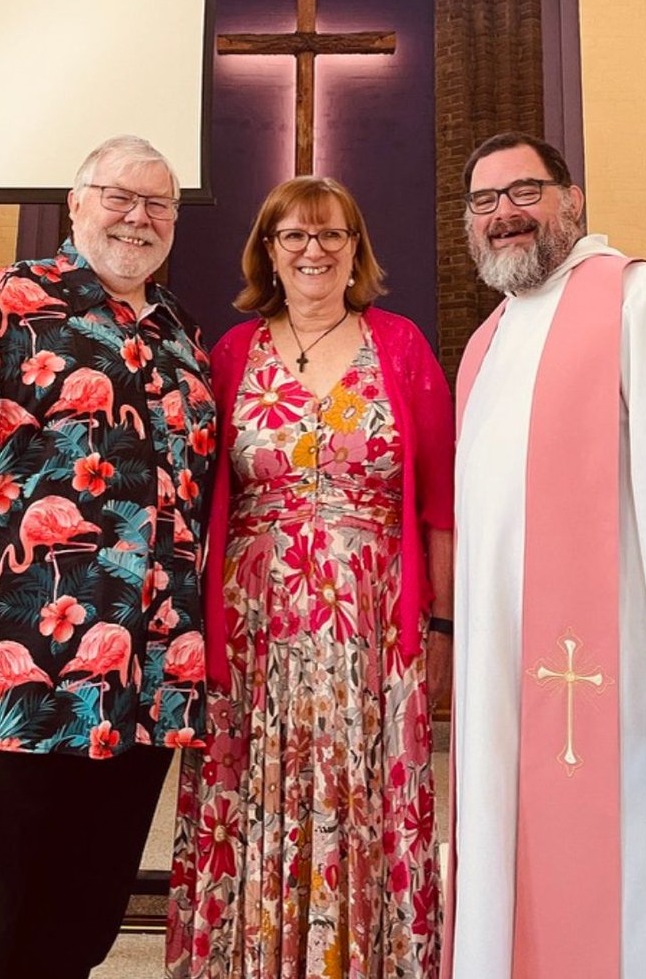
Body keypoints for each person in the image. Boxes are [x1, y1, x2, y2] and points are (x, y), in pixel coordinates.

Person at [0, 134, 216, 979]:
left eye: (158, 203)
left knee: (76, 934)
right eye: (119, 196)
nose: (138, 217)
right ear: (75, 202)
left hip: (135, 700)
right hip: (3, 687)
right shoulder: (1, 309)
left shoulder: (181, 340)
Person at [445, 130, 646, 979]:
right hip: (513, 690)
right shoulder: (485, 347)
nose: (505, 215)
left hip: (636, 687)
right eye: (485, 202)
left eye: (525, 192)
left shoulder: (641, 297)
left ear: (573, 199)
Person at [166, 176, 455, 978]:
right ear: (268, 251)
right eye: (293, 236)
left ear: (356, 249)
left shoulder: (398, 345)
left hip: (371, 621)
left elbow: (441, 503)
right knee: (255, 795)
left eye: (331, 236)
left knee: (360, 794)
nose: (313, 251)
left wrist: (440, 627)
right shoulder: (230, 353)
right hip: (254, 626)